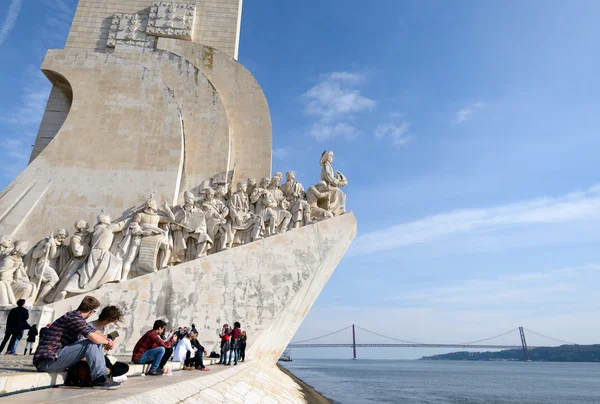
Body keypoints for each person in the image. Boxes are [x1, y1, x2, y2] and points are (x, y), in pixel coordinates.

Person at [33, 295, 120, 390]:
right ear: (91, 312)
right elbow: (94, 338)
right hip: (46, 362)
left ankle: (103, 376)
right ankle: (99, 378)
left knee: (95, 341)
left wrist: (107, 339)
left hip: (53, 359)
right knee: (91, 342)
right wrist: (107, 342)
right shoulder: (74, 318)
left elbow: (95, 333)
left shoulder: (75, 317)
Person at [81, 306, 129, 383]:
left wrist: (107, 345)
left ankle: (109, 375)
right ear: (109, 319)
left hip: (100, 356)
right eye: (112, 321)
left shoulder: (104, 328)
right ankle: (109, 376)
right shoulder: (88, 327)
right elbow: (83, 347)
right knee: (107, 366)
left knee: (124, 367)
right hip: (88, 358)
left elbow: (101, 347)